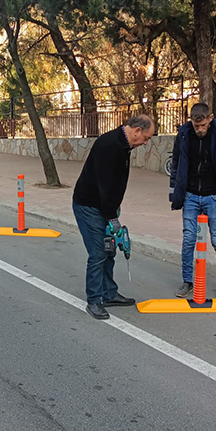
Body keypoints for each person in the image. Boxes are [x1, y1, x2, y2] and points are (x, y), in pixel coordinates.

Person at [73, 114, 155, 320]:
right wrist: (112, 218)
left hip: (105, 207)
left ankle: (109, 293)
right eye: (146, 138)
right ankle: (94, 300)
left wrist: (114, 209)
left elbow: (114, 184)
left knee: (109, 250)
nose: (145, 143)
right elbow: (105, 185)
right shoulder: (109, 145)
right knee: (98, 252)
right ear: (137, 131)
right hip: (89, 206)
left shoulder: (124, 146)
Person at [169, 103, 216, 299]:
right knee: (188, 240)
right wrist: (174, 193)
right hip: (190, 196)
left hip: (214, 196)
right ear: (191, 121)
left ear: (210, 118)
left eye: (203, 125)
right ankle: (187, 281)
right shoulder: (184, 135)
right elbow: (176, 163)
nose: (200, 129)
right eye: (196, 126)